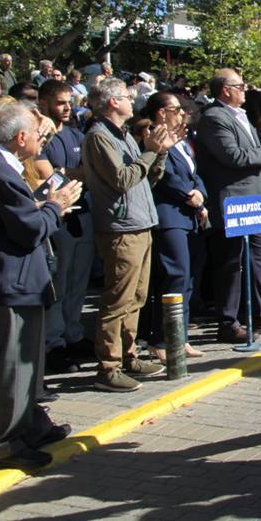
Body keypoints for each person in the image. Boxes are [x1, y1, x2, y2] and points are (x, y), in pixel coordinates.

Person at [0, 103, 82, 469]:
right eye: (37, 132)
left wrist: (43, 205)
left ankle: (27, 427)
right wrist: (54, 207)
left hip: (19, 280)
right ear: (20, 137)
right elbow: (28, 229)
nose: (42, 139)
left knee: (25, 368)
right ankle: (3, 444)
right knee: (10, 368)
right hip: (10, 281)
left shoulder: (4, 166)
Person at [83, 78, 180, 392]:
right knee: (118, 299)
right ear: (113, 101)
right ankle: (108, 367)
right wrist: (150, 152)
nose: (131, 100)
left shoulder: (122, 134)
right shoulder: (100, 137)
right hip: (120, 229)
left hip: (140, 224)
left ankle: (128, 355)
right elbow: (122, 179)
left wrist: (160, 154)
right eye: (127, 96)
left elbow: (144, 180)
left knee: (137, 297)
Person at [195, 68, 261, 343]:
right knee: (231, 262)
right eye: (240, 86)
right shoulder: (214, 118)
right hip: (234, 202)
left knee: (260, 256)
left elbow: (254, 153)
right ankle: (228, 322)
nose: (245, 90)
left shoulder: (240, 115)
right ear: (225, 90)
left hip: (254, 200)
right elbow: (234, 156)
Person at [142, 93, 208, 362]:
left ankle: (181, 336)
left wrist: (201, 193)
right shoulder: (153, 138)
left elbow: (194, 173)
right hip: (169, 216)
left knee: (188, 277)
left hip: (189, 215)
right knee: (174, 276)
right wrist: (190, 196)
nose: (182, 114)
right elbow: (165, 176)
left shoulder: (183, 141)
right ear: (161, 112)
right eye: (176, 109)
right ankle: (161, 339)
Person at [37, 80, 96, 375]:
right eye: (60, 102)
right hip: (57, 218)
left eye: (69, 102)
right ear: (44, 102)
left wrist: (67, 172)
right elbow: (48, 178)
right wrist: (73, 173)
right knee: (58, 283)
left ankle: (73, 333)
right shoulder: (41, 138)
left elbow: (90, 170)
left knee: (78, 280)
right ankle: (54, 341)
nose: (66, 107)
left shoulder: (76, 134)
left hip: (82, 213)